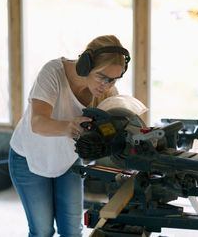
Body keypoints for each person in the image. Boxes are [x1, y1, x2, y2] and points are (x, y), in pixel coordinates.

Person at [8, 35, 131, 237]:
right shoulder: (53, 73)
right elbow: (37, 123)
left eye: (114, 79)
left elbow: (116, 122)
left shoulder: (105, 90)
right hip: (29, 157)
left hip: (68, 160)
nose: (107, 86)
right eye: (102, 77)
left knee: (72, 232)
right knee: (42, 231)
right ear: (85, 65)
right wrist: (69, 127)